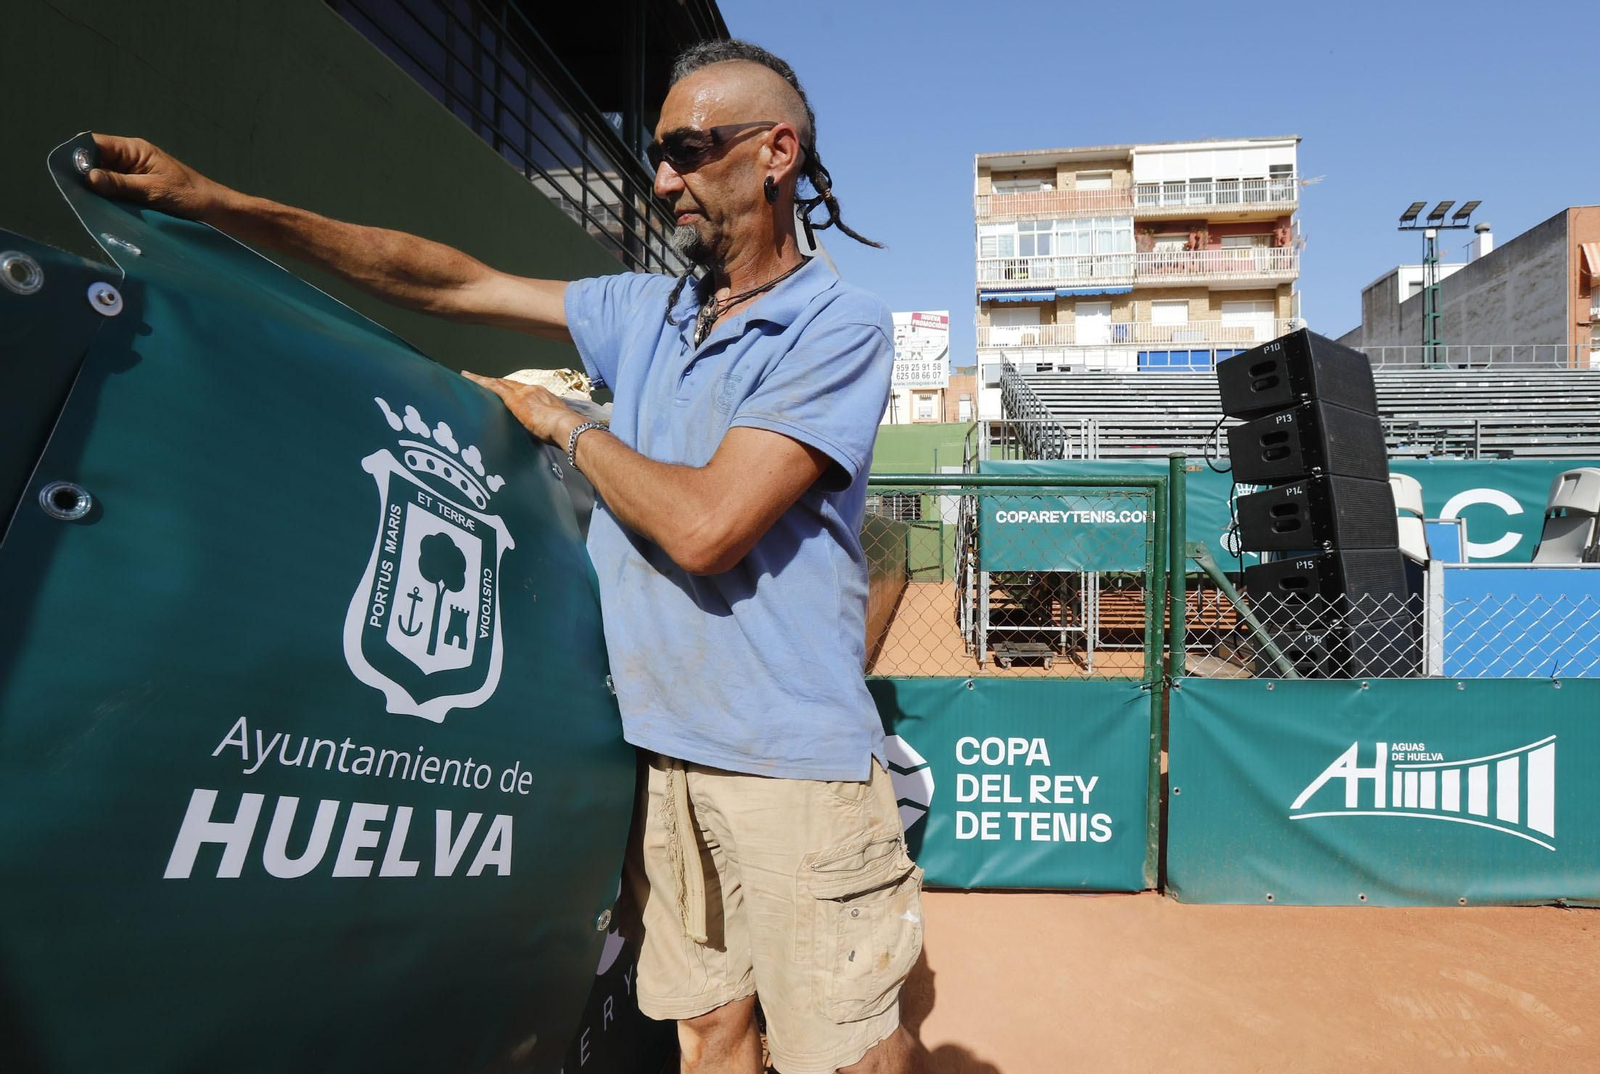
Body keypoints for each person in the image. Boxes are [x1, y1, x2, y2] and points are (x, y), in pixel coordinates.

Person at [88, 38, 921, 1074]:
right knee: (710, 1031)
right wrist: (218, 202)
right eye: (657, 156)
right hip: (659, 753)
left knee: (846, 1053)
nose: (663, 181)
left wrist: (566, 424)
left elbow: (708, 528)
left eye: (687, 151)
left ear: (774, 153)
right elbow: (451, 282)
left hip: (789, 762)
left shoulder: (835, 326)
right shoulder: (646, 312)